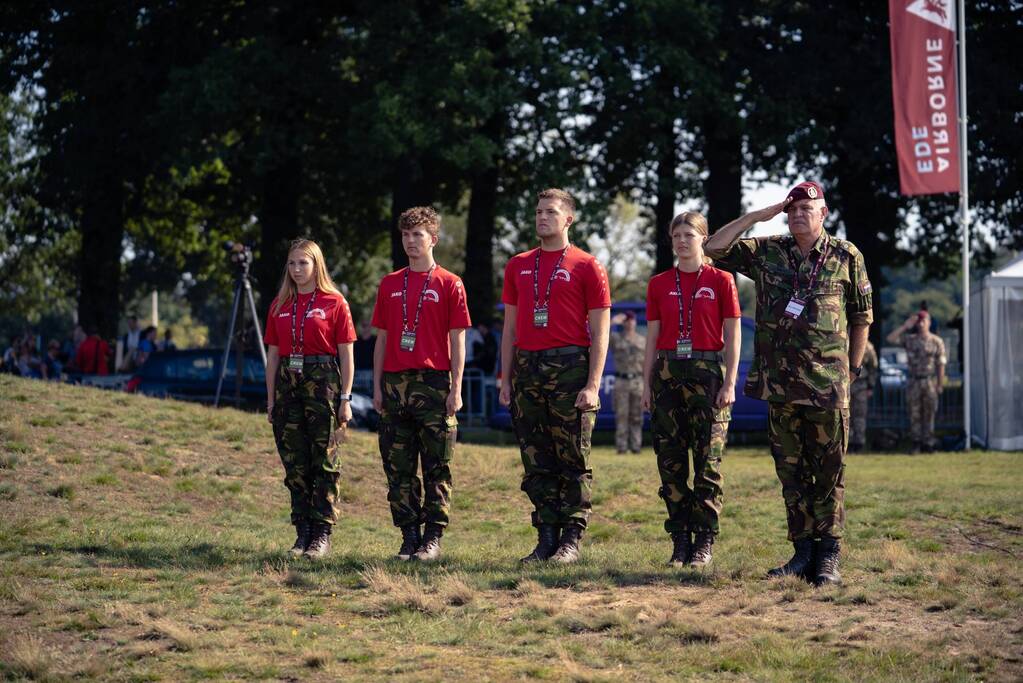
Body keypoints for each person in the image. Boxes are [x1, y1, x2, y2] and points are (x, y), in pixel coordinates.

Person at [704, 181, 872, 586]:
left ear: (823, 213)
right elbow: (714, 248)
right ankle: (802, 553)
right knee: (791, 474)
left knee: (828, 473)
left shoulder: (845, 255)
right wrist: (759, 215)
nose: (797, 215)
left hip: (828, 386)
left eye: (806, 209)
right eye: (791, 209)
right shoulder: (769, 251)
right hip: (780, 387)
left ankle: (828, 555)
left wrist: (852, 370)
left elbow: (861, 316)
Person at [498, 188, 611, 564]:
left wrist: (592, 384)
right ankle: (546, 536)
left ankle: (571, 538)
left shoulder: (587, 265)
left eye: (550, 212)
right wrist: (505, 378)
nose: (542, 218)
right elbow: (510, 328)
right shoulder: (518, 265)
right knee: (536, 458)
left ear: (568, 220)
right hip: (527, 370)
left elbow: (601, 331)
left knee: (572, 456)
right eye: (538, 212)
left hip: (570, 368)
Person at [372, 207, 471, 562]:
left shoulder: (449, 283)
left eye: (418, 235)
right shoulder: (390, 283)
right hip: (395, 384)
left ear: (433, 239)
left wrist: (457, 388)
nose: (410, 241)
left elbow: (458, 340)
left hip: (434, 383)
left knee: (436, 466)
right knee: (397, 467)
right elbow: (382, 339)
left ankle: (433, 537)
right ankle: (409, 535)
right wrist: (377, 386)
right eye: (405, 235)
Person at [642, 211, 741, 567]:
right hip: (667, 374)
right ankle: (680, 539)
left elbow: (733, 334)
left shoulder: (721, 280)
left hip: (708, 374)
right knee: (670, 463)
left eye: (689, 235)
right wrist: (646, 384)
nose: (682, 241)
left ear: (704, 239)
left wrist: (730, 382)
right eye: (677, 236)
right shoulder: (658, 283)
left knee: (707, 462)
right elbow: (652, 338)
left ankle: (704, 540)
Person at [264, 238, 356, 561]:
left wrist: (345, 398)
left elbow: (347, 355)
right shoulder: (279, 304)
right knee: (295, 462)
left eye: (303, 262)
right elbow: (272, 357)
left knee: (324, 461)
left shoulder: (335, 302)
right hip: (287, 385)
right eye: (292, 263)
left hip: (323, 382)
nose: (297, 269)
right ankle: (302, 531)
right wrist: (271, 399)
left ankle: (322, 533)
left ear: (317, 265)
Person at [887, 310, 945, 453]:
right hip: (914, 381)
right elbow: (891, 339)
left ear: (929, 323)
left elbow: (941, 363)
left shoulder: (936, 341)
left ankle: (928, 443)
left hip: (929, 381)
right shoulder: (910, 340)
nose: (921, 324)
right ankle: (916, 443)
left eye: (923, 321)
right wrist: (905, 326)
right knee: (914, 413)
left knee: (929, 412)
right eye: (919, 321)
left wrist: (940, 383)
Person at [609, 311, 645, 454]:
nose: (629, 323)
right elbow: (601, 336)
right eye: (627, 320)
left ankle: (636, 446)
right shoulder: (616, 338)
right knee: (622, 415)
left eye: (632, 320)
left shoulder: (642, 340)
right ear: (623, 323)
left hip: (637, 381)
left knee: (637, 416)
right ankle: (622, 447)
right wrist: (612, 322)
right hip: (621, 381)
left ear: (635, 322)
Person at [848, 340, 878, 453]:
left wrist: (871, 386)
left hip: (861, 385)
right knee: (846, 414)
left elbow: (873, 367)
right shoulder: (844, 341)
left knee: (860, 415)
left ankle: (859, 443)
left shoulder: (867, 346)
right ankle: (848, 443)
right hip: (846, 384)